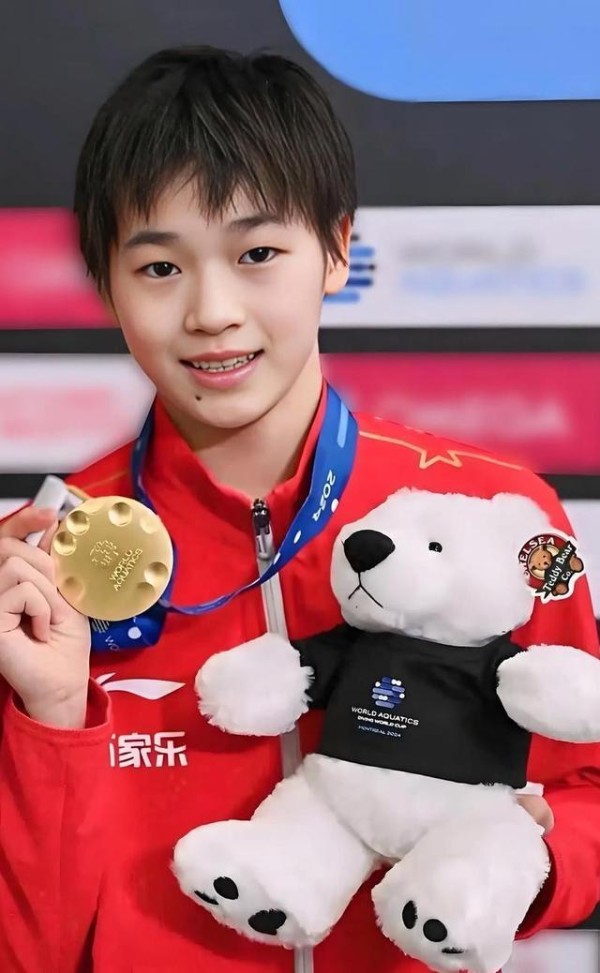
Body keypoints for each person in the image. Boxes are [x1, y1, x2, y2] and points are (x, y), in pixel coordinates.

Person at [0, 46, 598, 973]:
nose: (212, 311)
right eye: (158, 267)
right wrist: (49, 714)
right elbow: (29, 942)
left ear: (337, 249)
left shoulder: (503, 516)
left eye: (257, 254)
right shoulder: (52, 564)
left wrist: (522, 867)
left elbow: (589, 783)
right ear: (106, 282)